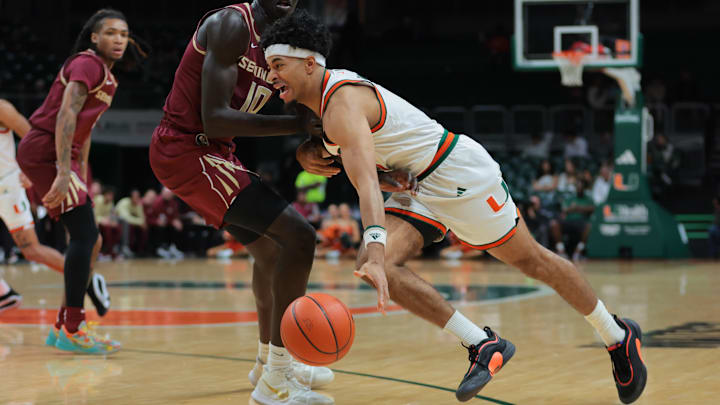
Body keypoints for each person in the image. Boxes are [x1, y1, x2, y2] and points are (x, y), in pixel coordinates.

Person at [267, 11, 647, 404]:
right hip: (418, 184)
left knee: (532, 261)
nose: (272, 75)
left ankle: (618, 335)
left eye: (278, 65)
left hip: (455, 173)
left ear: (310, 63)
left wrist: (378, 247)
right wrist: (313, 156)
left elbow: (365, 186)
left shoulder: (342, 103)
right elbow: (369, 171)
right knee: (372, 263)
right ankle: (483, 344)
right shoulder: (326, 115)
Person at [146, 2, 333, 404]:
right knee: (299, 237)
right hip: (186, 147)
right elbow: (215, 118)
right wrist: (296, 126)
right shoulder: (232, 24)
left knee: (268, 252)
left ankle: (267, 362)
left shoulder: (282, 44)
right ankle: (278, 379)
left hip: (215, 152)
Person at [16, 8, 147, 354]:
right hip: (46, 149)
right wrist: (62, 170)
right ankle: (72, 327)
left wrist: (81, 172)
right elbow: (66, 113)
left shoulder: (108, 77)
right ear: (94, 37)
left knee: (91, 240)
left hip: (64, 155)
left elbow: (84, 130)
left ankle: (64, 325)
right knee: (87, 237)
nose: (119, 39)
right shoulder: (87, 63)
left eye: (124, 33)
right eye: (111, 33)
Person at [0, 99, 110, 317]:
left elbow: (32, 139)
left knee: (31, 250)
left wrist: (29, 169)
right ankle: (4, 294)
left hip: (6, 186)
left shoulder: (2, 108)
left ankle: (87, 279)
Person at [550, 179, 595, 261]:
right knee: (554, 224)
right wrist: (572, 208)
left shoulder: (588, 199)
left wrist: (578, 207)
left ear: (584, 188)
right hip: (568, 221)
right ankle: (561, 251)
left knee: (589, 226)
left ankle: (577, 252)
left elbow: (592, 208)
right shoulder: (570, 198)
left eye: (581, 187)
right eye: (578, 187)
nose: (579, 188)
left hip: (581, 222)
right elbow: (564, 209)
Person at [115, 189, 147, 256]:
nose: (136, 198)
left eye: (138, 197)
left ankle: (141, 250)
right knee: (125, 222)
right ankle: (124, 247)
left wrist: (141, 222)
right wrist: (140, 222)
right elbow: (126, 217)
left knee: (144, 227)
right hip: (116, 219)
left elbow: (142, 218)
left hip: (130, 222)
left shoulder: (138, 205)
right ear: (130, 197)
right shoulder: (124, 202)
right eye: (135, 197)